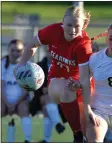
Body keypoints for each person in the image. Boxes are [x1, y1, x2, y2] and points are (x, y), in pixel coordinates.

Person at [14, 6, 92, 142]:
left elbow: (85, 78)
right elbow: (32, 44)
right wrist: (21, 64)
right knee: (66, 90)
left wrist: (87, 107)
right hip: (57, 79)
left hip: (82, 83)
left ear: (84, 25)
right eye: (69, 25)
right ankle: (77, 135)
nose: (72, 30)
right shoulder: (53, 31)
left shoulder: (83, 45)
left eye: (77, 26)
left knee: (94, 136)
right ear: (62, 22)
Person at [29, 48, 66, 143]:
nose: (53, 53)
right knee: (48, 99)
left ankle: (47, 139)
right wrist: (43, 90)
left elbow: (65, 83)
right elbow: (35, 86)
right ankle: (57, 124)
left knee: (47, 108)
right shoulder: (39, 66)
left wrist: (50, 89)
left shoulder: (63, 66)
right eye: (50, 50)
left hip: (61, 98)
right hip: (41, 98)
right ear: (46, 51)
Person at [1, 39, 32, 143]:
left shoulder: (27, 66)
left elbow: (25, 90)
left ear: (23, 51)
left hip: (20, 100)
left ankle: (27, 139)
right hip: (3, 99)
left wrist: (14, 104)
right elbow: (1, 88)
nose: (15, 53)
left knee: (24, 108)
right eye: (12, 50)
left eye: (18, 51)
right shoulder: (2, 64)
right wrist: (7, 103)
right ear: (8, 50)